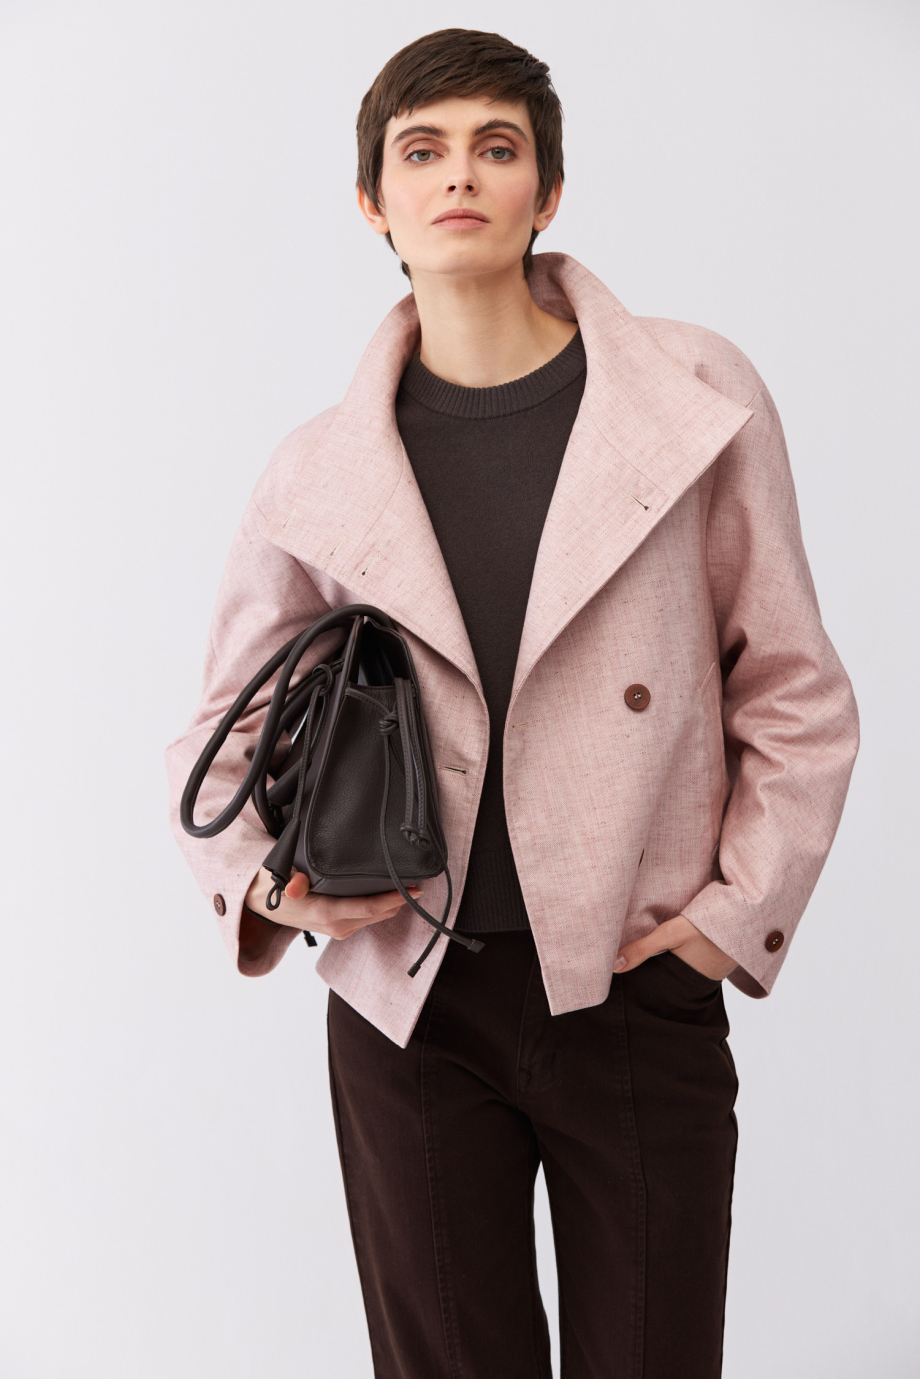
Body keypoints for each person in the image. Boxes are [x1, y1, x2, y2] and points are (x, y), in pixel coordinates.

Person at [165, 29, 859, 1379]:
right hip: (410, 1000)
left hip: (635, 979)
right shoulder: (319, 468)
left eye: (497, 146)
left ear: (548, 188)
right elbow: (217, 736)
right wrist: (271, 892)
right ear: (372, 202)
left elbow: (793, 687)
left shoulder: (692, 396)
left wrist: (726, 925)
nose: (459, 176)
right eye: (421, 151)